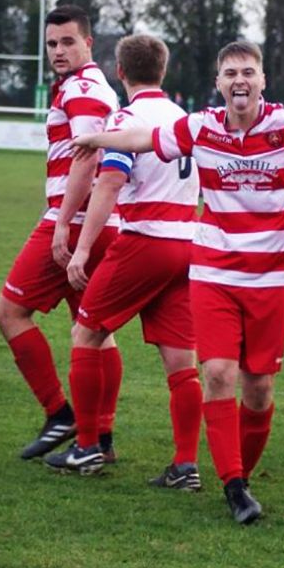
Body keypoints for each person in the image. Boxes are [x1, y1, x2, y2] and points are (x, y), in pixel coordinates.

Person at [71, 40, 284, 525]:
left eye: (248, 71)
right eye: (230, 72)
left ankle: (239, 471)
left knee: (258, 388)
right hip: (212, 272)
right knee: (218, 373)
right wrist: (97, 139)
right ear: (218, 83)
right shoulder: (199, 127)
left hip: (269, 278)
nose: (239, 79)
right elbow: (141, 139)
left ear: (262, 80)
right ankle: (234, 486)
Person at [44, 34, 203, 485]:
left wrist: (83, 248)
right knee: (180, 360)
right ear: (164, 70)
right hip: (187, 244)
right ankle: (185, 465)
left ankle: (88, 447)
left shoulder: (125, 119)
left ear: (119, 71)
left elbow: (110, 183)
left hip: (145, 238)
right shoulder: (183, 118)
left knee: (86, 333)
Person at [0, 5, 121, 462]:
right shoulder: (90, 86)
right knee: (94, 331)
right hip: (105, 220)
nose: (58, 51)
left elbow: (88, 157)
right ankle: (100, 439)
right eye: (51, 44)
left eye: (68, 41)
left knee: (10, 313)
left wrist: (64, 223)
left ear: (89, 43)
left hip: (76, 217)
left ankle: (59, 413)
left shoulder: (83, 88)